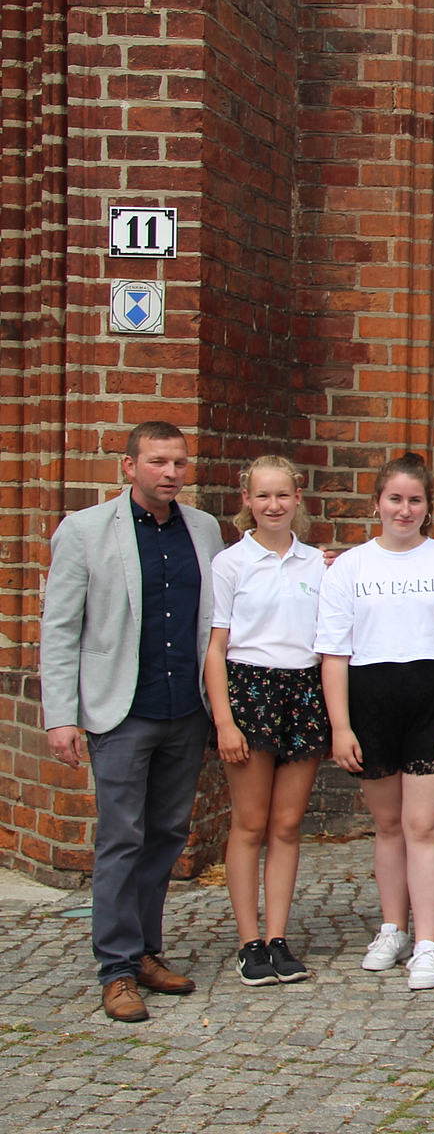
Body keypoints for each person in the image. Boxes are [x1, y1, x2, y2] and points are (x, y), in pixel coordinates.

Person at [41, 421, 226, 1022]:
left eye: (179, 462)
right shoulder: (85, 530)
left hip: (185, 710)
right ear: (129, 466)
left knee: (167, 834)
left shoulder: (204, 529)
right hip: (119, 710)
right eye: (157, 461)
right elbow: (60, 627)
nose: (170, 473)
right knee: (121, 838)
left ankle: (145, 951)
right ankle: (116, 970)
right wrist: (60, 715)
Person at [317, 452, 434, 992]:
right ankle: (393, 927)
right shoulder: (350, 567)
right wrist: (341, 727)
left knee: (424, 827)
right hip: (371, 702)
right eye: (395, 499)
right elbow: (334, 653)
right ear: (377, 504)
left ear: (428, 507)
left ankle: (428, 942)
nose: (404, 509)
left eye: (415, 500)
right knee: (388, 826)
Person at [206, 455, 329, 987]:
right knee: (251, 823)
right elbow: (215, 648)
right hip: (249, 691)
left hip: (303, 690)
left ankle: (278, 937)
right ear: (247, 501)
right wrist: (224, 721)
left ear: (298, 497)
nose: (273, 505)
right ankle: (248, 941)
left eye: (283, 495)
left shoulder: (319, 564)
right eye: (263, 496)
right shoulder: (230, 564)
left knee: (286, 824)